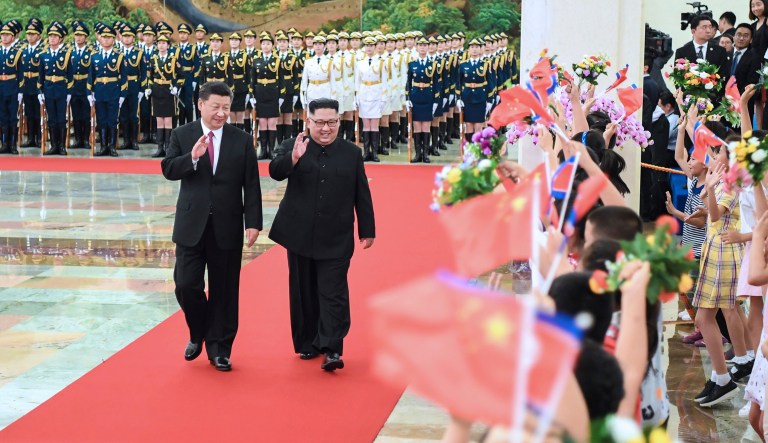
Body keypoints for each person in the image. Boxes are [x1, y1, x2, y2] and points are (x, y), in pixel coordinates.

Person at [160, 81, 262, 372]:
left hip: (227, 226)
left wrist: (253, 223)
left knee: (225, 291)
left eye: (226, 108)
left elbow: (251, 185)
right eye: (215, 107)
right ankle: (198, 330)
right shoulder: (183, 134)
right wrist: (192, 157)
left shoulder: (241, 139)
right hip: (191, 225)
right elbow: (168, 169)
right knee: (185, 285)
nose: (221, 113)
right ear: (200, 105)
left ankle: (220, 349)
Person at [268, 98, 375, 371]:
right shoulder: (294, 145)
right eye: (319, 123)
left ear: (340, 121)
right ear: (308, 121)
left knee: (333, 292)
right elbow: (275, 172)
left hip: (336, 235)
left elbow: (361, 192)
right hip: (299, 233)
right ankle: (307, 343)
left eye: (332, 122)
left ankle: (332, 349)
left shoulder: (351, 153)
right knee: (303, 290)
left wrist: (367, 228)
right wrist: (293, 158)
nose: (326, 128)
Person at [674, 16, 731, 102]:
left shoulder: (720, 51)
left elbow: (724, 77)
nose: (709, 30)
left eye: (710, 27)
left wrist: (711, 97)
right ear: (693, 31)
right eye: (704, 27)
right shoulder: (682, 51)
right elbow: (678, 77)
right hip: (688, 101)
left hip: (712, 101)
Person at [38, 22, 72, 156]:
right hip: (48, 90)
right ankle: (53, 146)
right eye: (50, 36)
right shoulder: (43, 56)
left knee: (61, 119)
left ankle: (62, 146)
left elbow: (70, 75)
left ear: (60, 39)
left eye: (55, 36)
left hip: (61, 89)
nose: (52, 38)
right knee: (51, 118)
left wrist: (69, 92)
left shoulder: (66, 55)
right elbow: (40, 76)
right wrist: (40, 92)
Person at [146, 34, 182, 158]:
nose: (161, 45)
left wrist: (177, 87)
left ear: (168, 45)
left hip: (168, 91)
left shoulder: (173, 59)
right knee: (159, 120)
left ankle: (169, 148)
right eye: (159, 43)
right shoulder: (153, 59)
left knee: (168, 120)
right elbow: (150, 78)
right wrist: (149, 89)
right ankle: (160, 148)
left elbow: (181, 76)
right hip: (157, 91)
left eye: (164, 43)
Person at [406, 37, 436, 163]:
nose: (423, 48)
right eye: (420, 45)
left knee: (426, 126)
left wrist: (436, 100)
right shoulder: (412, 64)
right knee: (417, 126)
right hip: (416, 96)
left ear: (428, 47)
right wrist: (407, 98)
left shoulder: (433, 64)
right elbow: (408, 82)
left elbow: (437, 84)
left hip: (428, 97)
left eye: (425, 45)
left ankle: (426, 154)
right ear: (417, 48)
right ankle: (418, 154)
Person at [117, 24, 144, 151]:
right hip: (121, 87)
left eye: (129, 36)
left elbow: (143, 73)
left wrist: (142, 89)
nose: (127, 39)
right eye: (125, 36)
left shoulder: (138, 53)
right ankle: (126, 140)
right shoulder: (118, 52)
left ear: (133, 38)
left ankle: (134, 140)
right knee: (123, 115)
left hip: (133, 86)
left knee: (133, 115)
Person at [0, 21, 23, 155]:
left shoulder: (17, 53)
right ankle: (4, 143)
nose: (4, 37)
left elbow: (20, 74)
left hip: (12, 87)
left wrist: (20, 91)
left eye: (7, 35)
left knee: (12, 117)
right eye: (2, 34)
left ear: (13, 37)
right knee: (2, 116)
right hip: (1, 88)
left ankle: (13, 144)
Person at [19, 18, 43, 150]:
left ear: (38, 35)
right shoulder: (23, 48)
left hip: (37, 84)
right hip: (27, 84)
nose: (30, 36)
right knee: (29, 112)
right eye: (28, 34)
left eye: (33, 34)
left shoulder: (43, 48)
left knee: (38, 112)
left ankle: (39, 138)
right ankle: (30, 138)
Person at [70, 21, 92, 151]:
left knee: (86, 115)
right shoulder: (70, 51)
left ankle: (86, 139)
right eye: (76, 35)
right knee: (76, 115)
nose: (78, 37)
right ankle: (78, 139)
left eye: (81, 35)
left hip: (85, 87)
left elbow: (91, 72)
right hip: (73, 87)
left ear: (85, 37)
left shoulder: (90, 52)